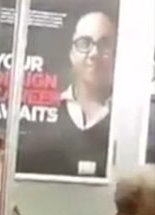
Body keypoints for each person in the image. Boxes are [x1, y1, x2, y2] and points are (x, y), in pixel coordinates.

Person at [17, 9, 117, 178]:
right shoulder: (43, 115)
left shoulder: (129, 122)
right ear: (71, 53)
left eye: (104, 44)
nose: (94, 54)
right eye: (84, 43)